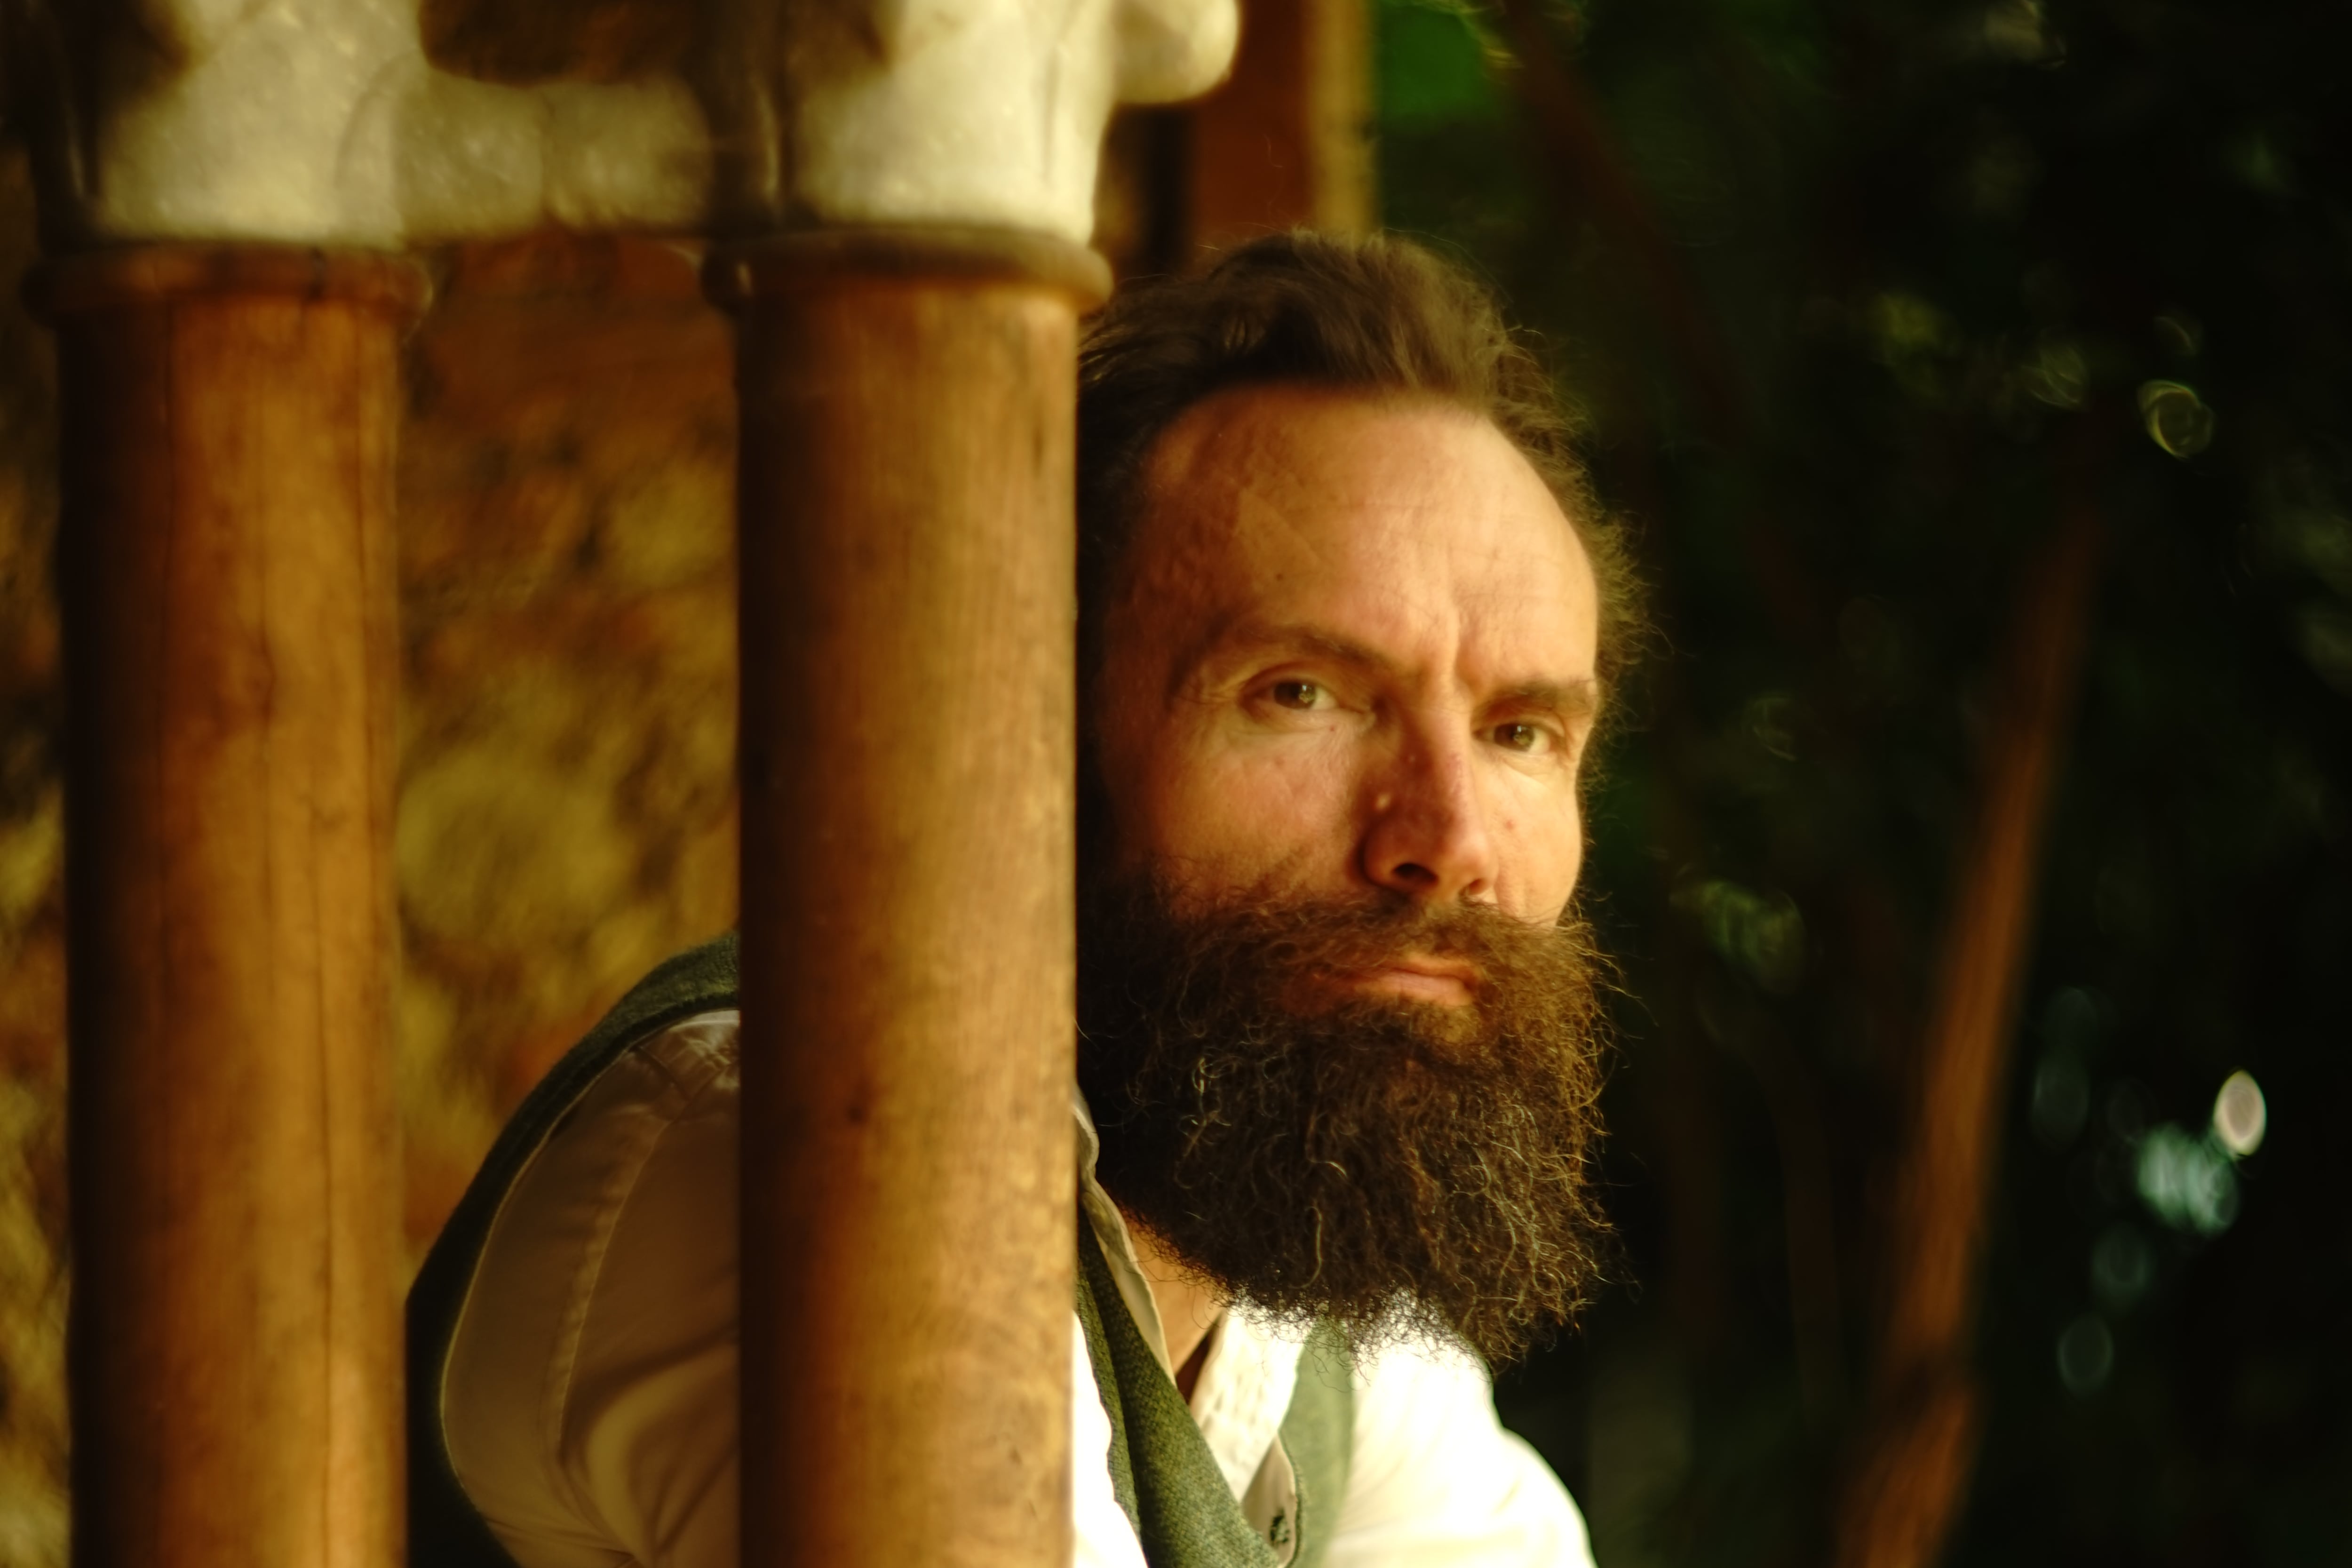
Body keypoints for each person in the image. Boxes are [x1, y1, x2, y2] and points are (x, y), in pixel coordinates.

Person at [407, 230, 1645, 1568]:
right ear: (1035, 749)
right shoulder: (794, 1163)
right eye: (1302, 694)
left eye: (1521, 731)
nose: (1450, 840)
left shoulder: (1299, 1235)